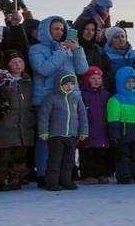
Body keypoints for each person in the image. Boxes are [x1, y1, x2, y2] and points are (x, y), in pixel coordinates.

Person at [29, 16, 89, 182]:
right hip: (46, 99)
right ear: (46, 30)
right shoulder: (36, 49)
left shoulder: (68, 48)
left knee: (68, 139)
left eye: (62, 29)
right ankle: (43, 173)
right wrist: (61, 52)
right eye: (56, 29)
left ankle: (65, 174)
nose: (59, 32)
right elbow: (43, 69)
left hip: (69, 99)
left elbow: (83, 70)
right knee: (46, 138)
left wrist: (77, 50)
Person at [0, 51, 35, 191]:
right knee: (2, 153)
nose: (18, 65)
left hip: (24, 123)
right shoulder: (1, 81)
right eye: (14, 62)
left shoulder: (28, 81)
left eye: (20, 62)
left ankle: (16, 178)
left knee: (20, 154)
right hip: (5, 123)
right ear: (8, 65)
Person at [37, 71, 89, 191]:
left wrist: (83, 131)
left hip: (72, 135)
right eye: (66, 84)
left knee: (69, 160)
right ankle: (52, 183)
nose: (69, 86)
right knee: (55, 160)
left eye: (72, 84)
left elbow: (83, 116)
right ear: (59, 84)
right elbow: (44, 116)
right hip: (56, 135)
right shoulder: (51, 98)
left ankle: (66, 181)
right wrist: (43, 131)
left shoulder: (76, 99)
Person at [107, 66, 135, 184]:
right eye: (127, 81)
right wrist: (115, 134)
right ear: (121, 82)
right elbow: (113, 118)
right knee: (123, 156)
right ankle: (124, 176)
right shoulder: (115, 100)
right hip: (124, 134)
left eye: (133, 81)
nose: (131, 84)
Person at [78, 66, 112, 184]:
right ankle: (87, 174)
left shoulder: (105, 94)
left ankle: (101, 173)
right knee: (88, 152)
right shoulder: (82, 94)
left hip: (102, 128)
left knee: (101, 153)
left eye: (98, 78)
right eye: (93, 78)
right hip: (88, 128)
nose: (96, 81)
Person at [102, 27, 135, 91]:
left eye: (123, 36)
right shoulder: (105, 56)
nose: (121, 39)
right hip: (115, 91)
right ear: (110, 40)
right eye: (116, 37)